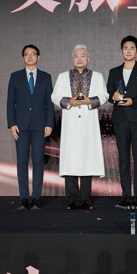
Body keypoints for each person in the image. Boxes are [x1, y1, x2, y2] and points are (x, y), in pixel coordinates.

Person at [52, 44, 108, 210]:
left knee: (87, 160)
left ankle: (85, 199)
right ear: (72, 59)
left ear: (88, 59)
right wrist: (68, 101)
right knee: (70, 160)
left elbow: (105, 95)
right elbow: (54, 95)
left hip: (88, 123)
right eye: (76, 56)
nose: (79, 58)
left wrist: (90, 100)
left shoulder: (97, 76)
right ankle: (72, 199)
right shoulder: (63, 76)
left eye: (83, 56)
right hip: (70, 123)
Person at [107, 35, 137, 210]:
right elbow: (109, 93)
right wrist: (113, 97)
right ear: (121, 51)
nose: (128, 51)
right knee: (123, 158)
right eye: (125, 48)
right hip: (120, 119)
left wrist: (133, 101)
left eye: (132, 48)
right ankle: (126, 196)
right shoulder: (114, 72)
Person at [7, 44, 54, 211]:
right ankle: (24, 198)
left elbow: (49, 103)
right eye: (26, 54)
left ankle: (36, 198)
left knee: (38, 162)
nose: (30, 56)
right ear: (23, 58)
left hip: (40, 126)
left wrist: (49, 123)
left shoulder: (46, 77)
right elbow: (10, 102)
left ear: (38, 57)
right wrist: (12, 123)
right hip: (21, 126)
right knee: (21, 162)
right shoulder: (15, 76)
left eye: (33, 54)